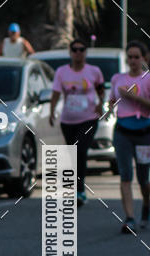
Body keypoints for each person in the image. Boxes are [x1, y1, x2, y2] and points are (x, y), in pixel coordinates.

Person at [50, 38, 105, 206]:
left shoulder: (94, 71)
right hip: (68, 120)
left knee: (81, 150)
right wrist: (52, 111)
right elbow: (56, 93)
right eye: (75, 49)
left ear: (86, 52)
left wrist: (100, 103)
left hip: (88, 118)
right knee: (72, 154)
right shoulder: (61, 72)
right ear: (70, 52)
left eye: (82, 49)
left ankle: (80, 191)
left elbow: (101, 90)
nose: (78, 53)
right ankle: (74, 189)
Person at [108, 40, 150, 234]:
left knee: (144, 180)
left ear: (143, 58)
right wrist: (109, 109)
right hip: (122, 131)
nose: (133, 60)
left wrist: (134, 98)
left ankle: (146, 206)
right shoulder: (118, 78)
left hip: (144, 133)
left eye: (136, 57)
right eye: (130, 56)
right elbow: (111, 100)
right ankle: (130, 218)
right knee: (125, 175)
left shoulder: (147, 78)